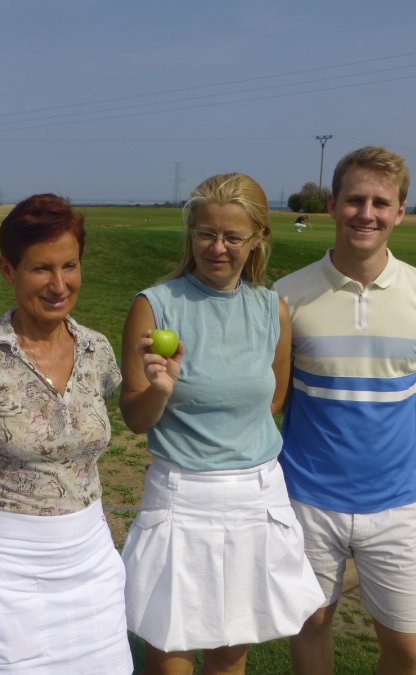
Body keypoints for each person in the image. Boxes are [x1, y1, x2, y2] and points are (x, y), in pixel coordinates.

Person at [120, 173, 324, 675]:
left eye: (233, 236)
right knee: (170, 651)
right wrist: (160, 391)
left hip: (256, 496)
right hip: (182, 495)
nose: (217, 248)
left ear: (257, 239)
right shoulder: (155, 305)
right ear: (190, 234)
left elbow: (272, 400)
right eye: (206, 234)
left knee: (231, 650)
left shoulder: (272, 309)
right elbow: (134, 418)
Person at [273, 146, 416, 675]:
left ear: (400, 211)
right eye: (355, 199)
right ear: (332, 205)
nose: (367, 213)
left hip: (396, 506)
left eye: (381, 203)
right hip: (307, 500)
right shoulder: (286, 296)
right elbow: (277, 395)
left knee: (408, 650)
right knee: (311, 626)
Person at [0, 194, 132, 674]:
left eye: (70, 266)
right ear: (9, 271)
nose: (59, 284)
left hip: (91, 555)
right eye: (41, 269)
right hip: (9, 563)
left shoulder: (97, 349)